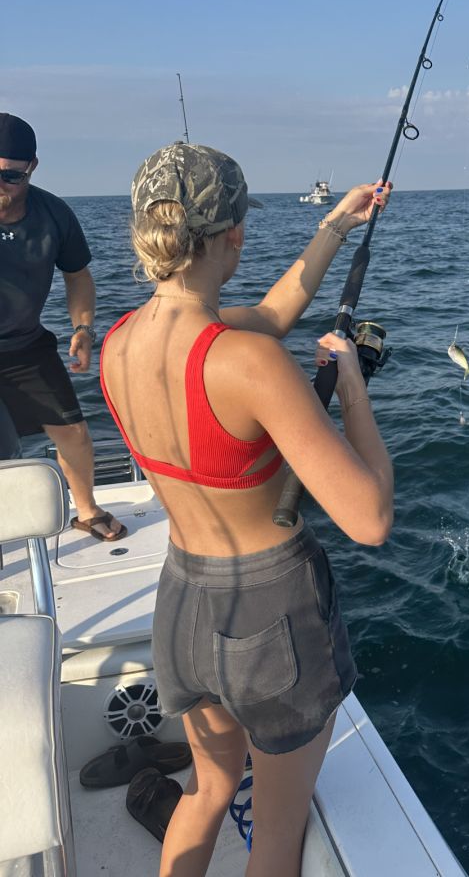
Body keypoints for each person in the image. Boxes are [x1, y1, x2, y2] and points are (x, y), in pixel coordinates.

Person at [99, 142, 394, 876]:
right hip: (272, 620)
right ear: (234, 236)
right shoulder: (248, 362)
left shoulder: (118, 343)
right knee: (275, 837)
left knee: (207, 792)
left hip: (182, 607)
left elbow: (269, 313)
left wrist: (337, 225)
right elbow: (369, 519)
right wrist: (353, 390)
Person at [0, 112, 126, 539]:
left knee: (73, 432)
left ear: (32, 167)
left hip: (25, 346)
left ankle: (87, 510)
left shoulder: (53, 214)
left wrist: (83, 330)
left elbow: (78, 276)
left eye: (11, 176)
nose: (0, 185)